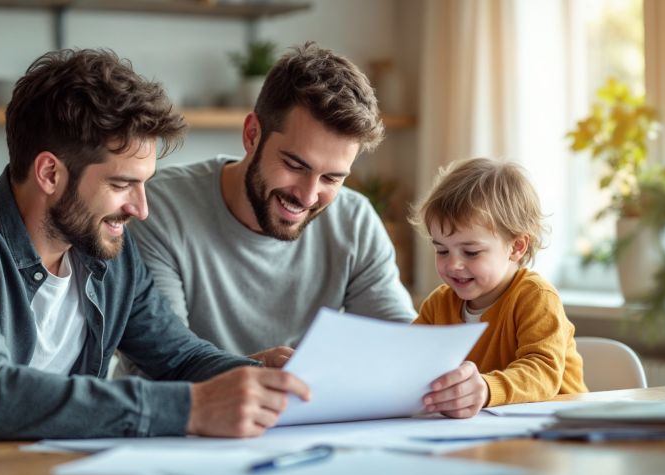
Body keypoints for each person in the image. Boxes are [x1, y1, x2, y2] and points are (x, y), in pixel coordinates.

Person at [0, 49, 308, 443]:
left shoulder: (104, 251)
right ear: (49, 173)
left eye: (145, 185)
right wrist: (193, 407)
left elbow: (180, 358)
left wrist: (258, 379)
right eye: (123, 184)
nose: (141, 208)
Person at [119, 43, 416, 377]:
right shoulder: (155, 208)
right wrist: (250, 372)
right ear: (251, 135)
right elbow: (162, 362)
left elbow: (399, 349)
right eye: (294, 165)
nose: (307, 196)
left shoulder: (354, 220)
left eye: (331, 178)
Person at [410, 158, 588, 418]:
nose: (453, 265)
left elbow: (542, 372)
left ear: (516, 247)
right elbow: (408, 363)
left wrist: (486, 388)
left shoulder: (535, 297)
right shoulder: (439, 304)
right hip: (480, 434)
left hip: (557, 430)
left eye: (470, 252)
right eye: (442, 250)